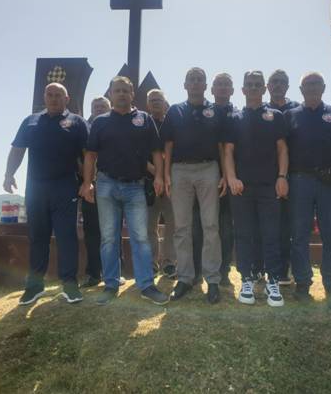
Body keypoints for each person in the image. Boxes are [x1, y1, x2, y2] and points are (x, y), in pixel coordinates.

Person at [80, 76, 169, 306]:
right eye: (117, 90)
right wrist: (87, 183)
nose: (121, 94)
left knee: (141, 238)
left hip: (135, 187)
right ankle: (110, 285)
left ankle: (146, 285)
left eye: (125, 91)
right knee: (109, 238)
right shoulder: (100, 122)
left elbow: (156, 152)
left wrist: (159, 177)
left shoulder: (144, 119)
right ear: (110, 94)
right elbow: (90, 155)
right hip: (106, 185)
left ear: (132, 94)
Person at [4, 82, 87, 305]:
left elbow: (88, 155)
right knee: (37, 237)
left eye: (58, 95)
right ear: (44, 97)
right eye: (50, 94)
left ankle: (70, 285)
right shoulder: (30, 121)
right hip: (35, 188)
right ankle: (34, 287)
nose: (53, 98)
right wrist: (9, 174)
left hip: (65, 187)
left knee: (66, 237)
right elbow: (17, 149)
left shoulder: (77, 122)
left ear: (67, 99)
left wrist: (89, 181)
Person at [283, 72, 331, 308]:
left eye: (316, 84)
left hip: (330, 183)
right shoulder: (290, 115)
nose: (312, 88)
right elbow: (283, 150)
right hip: (299, 181)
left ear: (323, 87)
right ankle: (302, 283)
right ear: (301, 90)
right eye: (307, 84)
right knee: (299, 235)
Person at [161, 67, 226, 304]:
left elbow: (222, 146)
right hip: (180, 171)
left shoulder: (216, 111)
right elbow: (167, 145)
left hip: (209, 169)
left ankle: (213, 280)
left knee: (211, 226)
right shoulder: (175, 111)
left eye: (200, 80)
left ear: (206, 85)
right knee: (182, 227)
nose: (196, 83)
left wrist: (224, 174)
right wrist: (166, 174)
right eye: (192, 79)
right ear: (185, 85)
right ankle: (185, 278)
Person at [224, 70, 288, 307]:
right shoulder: (234, 117)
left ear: (264, 88)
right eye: (249, 84)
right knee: (244, 235)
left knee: (271, 234)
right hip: (241, 188)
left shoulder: (276, 116)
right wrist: (231, 177)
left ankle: (273, 281)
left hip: (269, 186)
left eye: (257, 84)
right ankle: (247, 279)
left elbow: (282, 149)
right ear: (243, 89)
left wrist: (282, 177)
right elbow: (228, 152)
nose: (253, 88)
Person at [192, 73, 237, 286]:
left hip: (230, 179)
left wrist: (229, 176)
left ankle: (223, 271)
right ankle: (197, 270)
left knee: (225, 228)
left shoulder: (238, 115)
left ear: (233, 90)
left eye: (227, 84)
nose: (222, 87)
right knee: (198, 226)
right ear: (211, 89)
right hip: (203, 176)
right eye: (219, 84)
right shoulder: (203, 112)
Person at [266, 69, 300, 285]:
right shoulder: (260, 109)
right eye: (274, 82)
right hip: (266, 176)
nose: (278, 85)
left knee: (290, 225)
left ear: (288, 86)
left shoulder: (297, 109)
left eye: (282, 82)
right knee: (270, 226)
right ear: (268, 86)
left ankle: (287, 270)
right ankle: (268, 269)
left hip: (293, 176)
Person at [80, 96, 112, 288]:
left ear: (109, 108)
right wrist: (85, 181)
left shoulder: (115, 126)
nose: (99, 108)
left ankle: (114, 272)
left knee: (112, 230)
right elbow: (80, 157)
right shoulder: (83, 129)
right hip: (90, 185)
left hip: (113, 184)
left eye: (103, 106)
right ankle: (93, 273)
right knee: (92, 231)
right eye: (95, 106)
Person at [146, 89, 177, 278]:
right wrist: (157, 172)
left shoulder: (173, 124)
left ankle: (169, 263)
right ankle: (151, 264)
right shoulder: (142, 124)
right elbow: (137, 153)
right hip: (147, 183)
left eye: (159, 99)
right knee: (149, 226)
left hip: (172, 182)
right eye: (152, 100)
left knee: (173, 225)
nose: (156, 102)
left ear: (166, 103)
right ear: (147, 104)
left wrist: (167, 175)